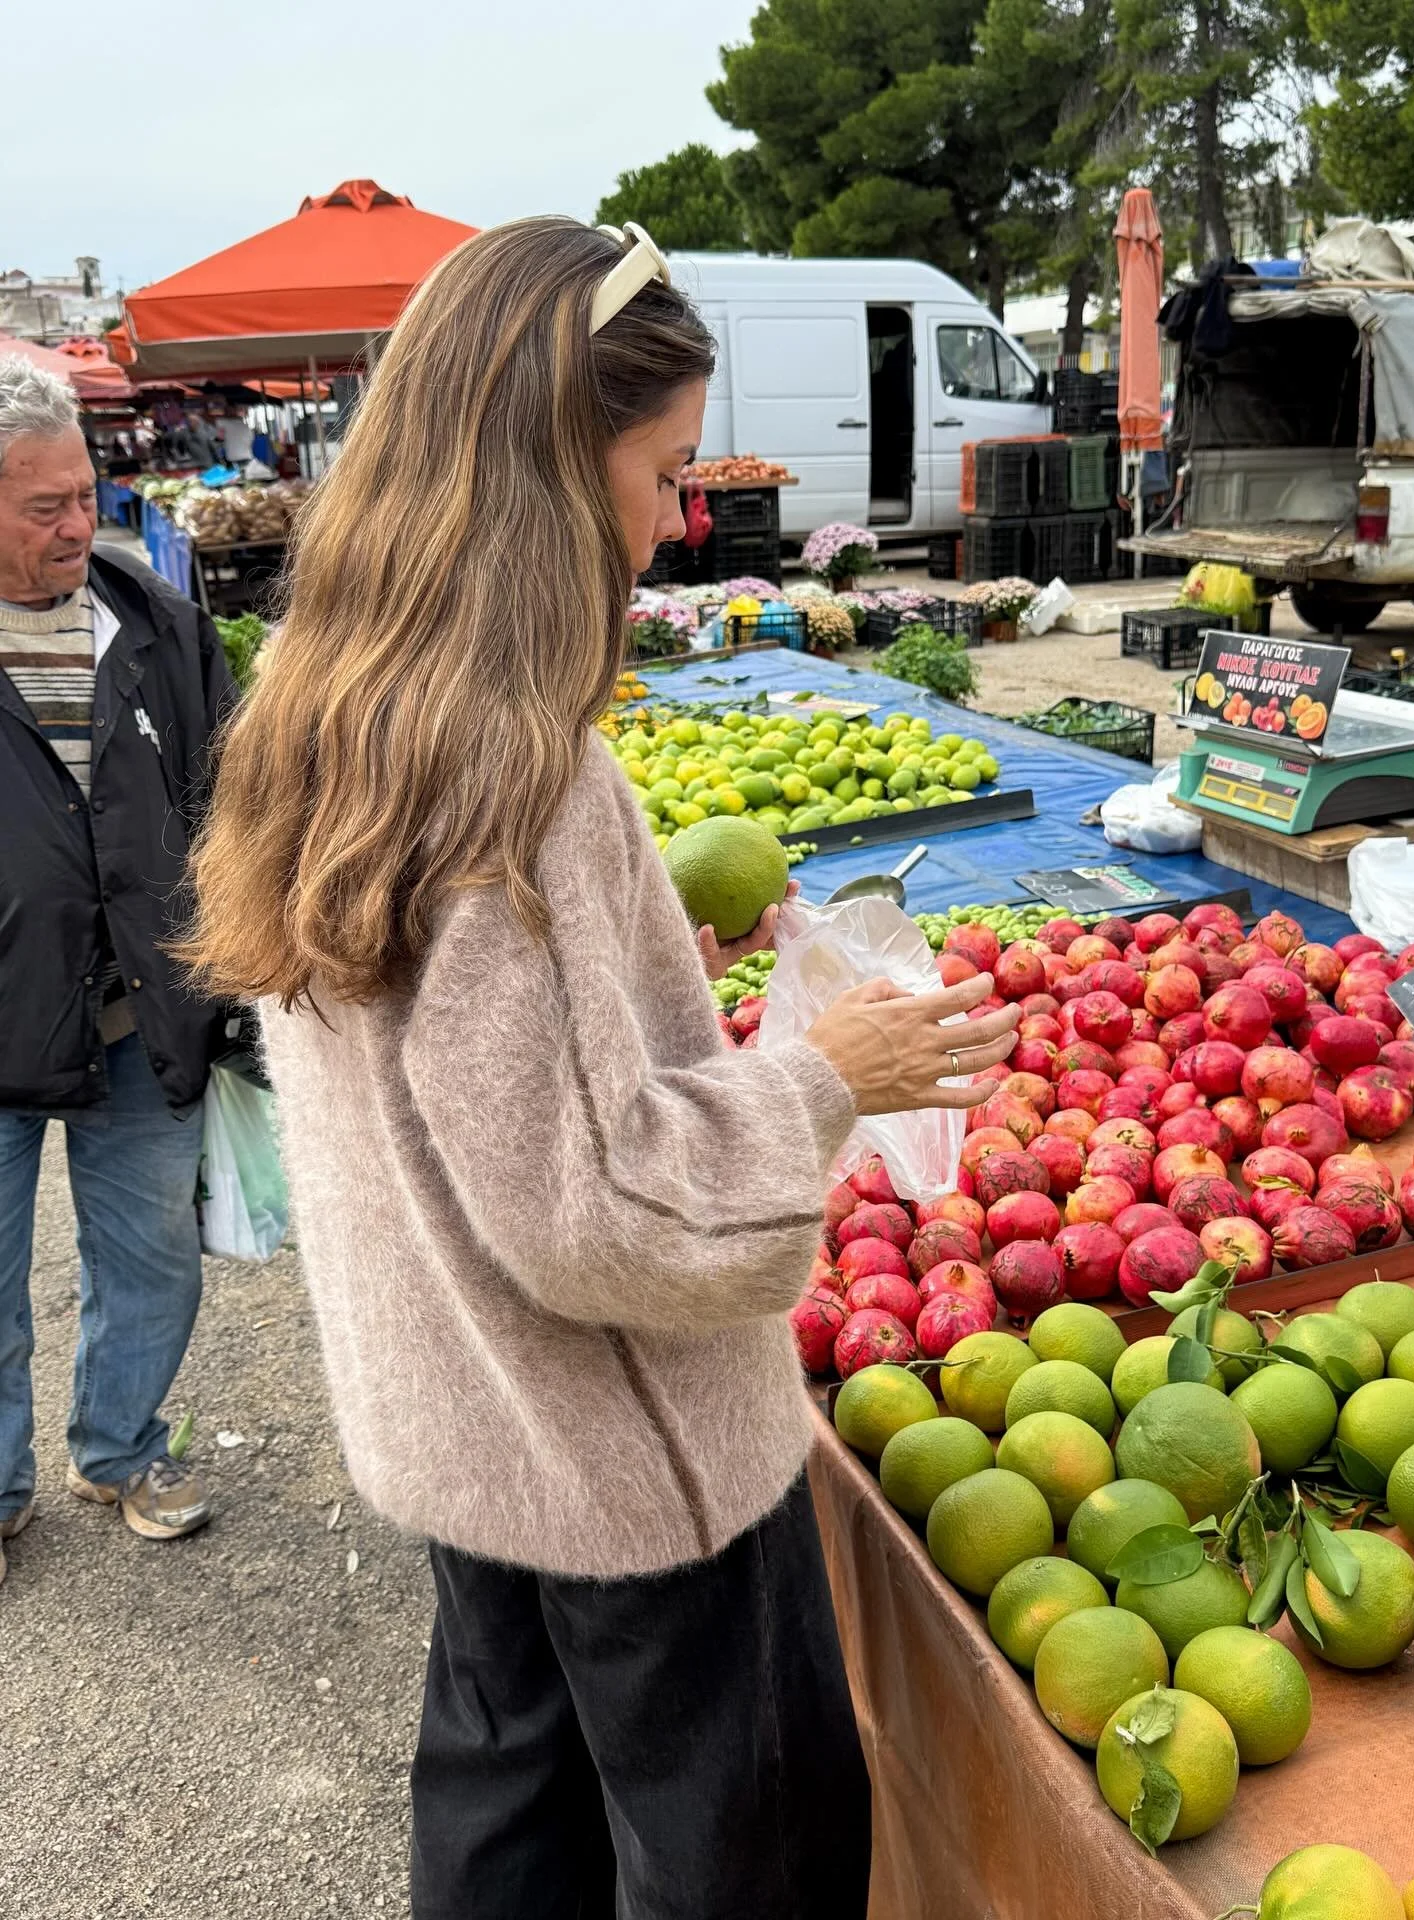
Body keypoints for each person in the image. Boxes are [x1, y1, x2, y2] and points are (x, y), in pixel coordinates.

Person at [178, 219, 1019, 1919]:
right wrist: (822, 1074)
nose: (675, 520)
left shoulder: (324, 714)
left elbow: (460, 1099)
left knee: (505, 1823)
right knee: (750, 1858)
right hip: (630, 1464)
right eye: (662, 469)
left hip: (467, 1430)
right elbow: (595, 1204)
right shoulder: (519, 775)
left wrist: (650, 1001)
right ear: (554, 469)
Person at [0, 356, 234, 1584]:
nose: (79, 525)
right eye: (45, 508)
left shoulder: (155, 623)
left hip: (141, 1011)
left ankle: (121, 1445)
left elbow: (232, 799)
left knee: (151, 1254)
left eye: (86, 496)